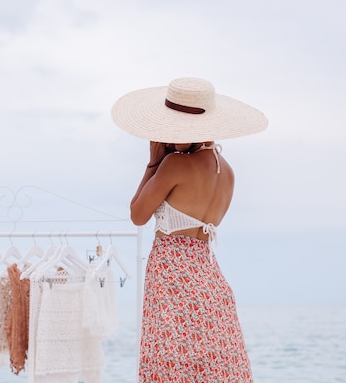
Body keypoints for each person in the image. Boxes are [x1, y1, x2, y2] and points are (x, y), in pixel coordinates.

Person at [111, 77, 268, 383]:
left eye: (174, 131)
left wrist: (152, 163)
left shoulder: (173, 165)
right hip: (208, 280)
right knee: (208, 368)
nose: (169, 138)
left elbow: (137, 214)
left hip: (172, 278)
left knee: (169, 365)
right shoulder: (229, 173)